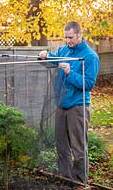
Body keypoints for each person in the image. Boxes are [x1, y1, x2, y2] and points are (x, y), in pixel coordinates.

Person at [38, 21, 100, 186]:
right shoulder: (63, 50)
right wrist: (44, 55)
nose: (68, 41)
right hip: (61, 106)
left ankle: (80, 183)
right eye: (65, 37)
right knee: (62, 147)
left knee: (78, 150)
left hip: (78, 107)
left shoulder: (90, 56)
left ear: (80, 34)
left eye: (71, 37)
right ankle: (66, 180)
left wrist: (69, 72)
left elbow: (88, 84)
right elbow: (51, 61)